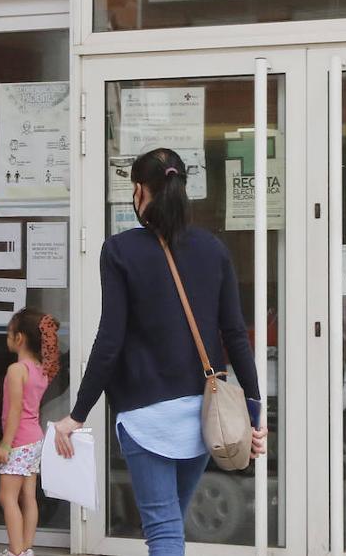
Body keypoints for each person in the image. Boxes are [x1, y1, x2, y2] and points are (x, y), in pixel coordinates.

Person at [52, 148, 268, 556]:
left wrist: (76, 414)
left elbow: (109, 340)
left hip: (147, 416)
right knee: (169, 524)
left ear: (139, 191)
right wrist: (255, 414)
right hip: (205, 415)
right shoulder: (213, 250)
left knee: (164, 530)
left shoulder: (119, 251)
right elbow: (235, 335)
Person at [0, 308, 59, 556]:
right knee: (28, 497)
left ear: (19, 338)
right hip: (34, 440)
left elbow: (15, 412)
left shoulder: (16, 370)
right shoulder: (41, 369)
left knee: (7, 497)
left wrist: (5, 444)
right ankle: (27, 547)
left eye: (9, 333)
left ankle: (15, 550)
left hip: (19, 441)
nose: (7, 337)